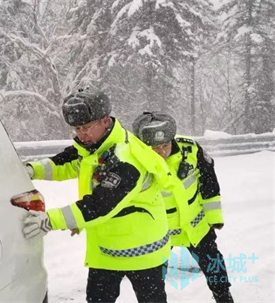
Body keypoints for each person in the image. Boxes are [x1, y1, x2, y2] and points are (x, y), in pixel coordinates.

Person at [22, 88, 183, 303]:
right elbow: (66, 162)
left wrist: (51, 220)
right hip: (107, 251)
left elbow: (99, 205)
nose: (81, 134)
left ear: (105, 121)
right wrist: (32, 170)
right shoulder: (94, 146)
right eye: (77, 129)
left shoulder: (127, 159)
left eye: (86, 127)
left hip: (144, 252)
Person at [132, 112, 234, 303]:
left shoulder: (191, 148)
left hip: (195, 226)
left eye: (165, 145)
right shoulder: (134, 161)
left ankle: (223, 297)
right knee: (150, 280)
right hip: (157, 231)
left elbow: (209, 184)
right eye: (154, 148)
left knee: (214, 264)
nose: (161, 152)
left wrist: (214, 218)